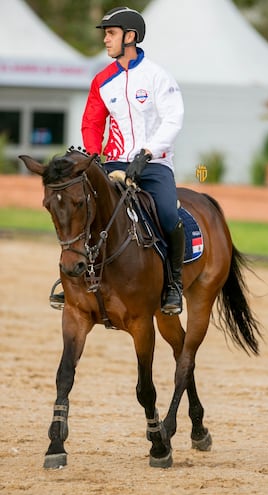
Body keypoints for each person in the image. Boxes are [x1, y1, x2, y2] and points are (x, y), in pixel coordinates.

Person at [80, 6, 185, 315]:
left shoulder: (157, 76)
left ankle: (174, 285)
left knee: (167, 215)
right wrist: (92, 155)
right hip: (113, 164)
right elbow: (92, 122)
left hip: (153, 166)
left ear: (130, 36)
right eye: (106, 35)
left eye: (110, 34)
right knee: (82, 210)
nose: (106, 40)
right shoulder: (101, 80)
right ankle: (74, 281)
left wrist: (148, 152)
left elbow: (173, 119)